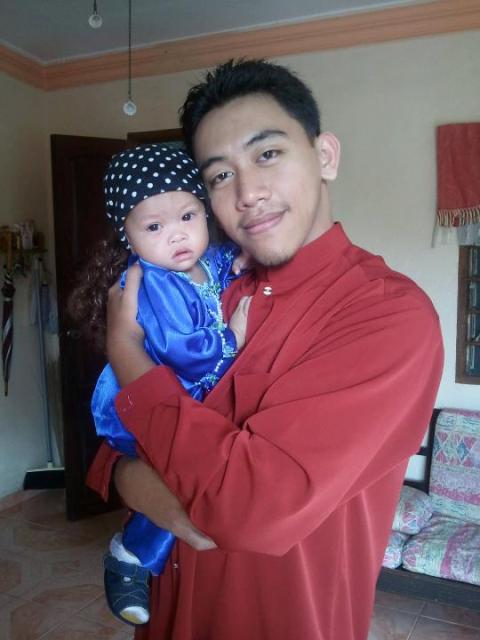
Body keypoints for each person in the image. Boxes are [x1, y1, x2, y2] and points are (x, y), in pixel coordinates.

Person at [87, 59, 444, 640]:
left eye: (268, 154)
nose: (247, 192)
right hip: (167, 616)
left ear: (325, 156)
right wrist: (134, 476)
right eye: (220, 176)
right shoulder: (211, 292)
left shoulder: (386, 316)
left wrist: (126, 351)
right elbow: (115, 451)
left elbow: (245, 513)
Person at [72, 143, 250, 627]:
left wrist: (239, 259)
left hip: (186, 397)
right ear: (127, 236)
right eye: (154, 227)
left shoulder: (203, 261)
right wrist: (231, 338)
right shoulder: (150, 280)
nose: (177, 234)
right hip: (150, 396)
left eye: (187, 216)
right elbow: (178, 347)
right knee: (175, 477)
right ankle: (128, 556)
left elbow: (220, 267)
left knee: (187, 477)